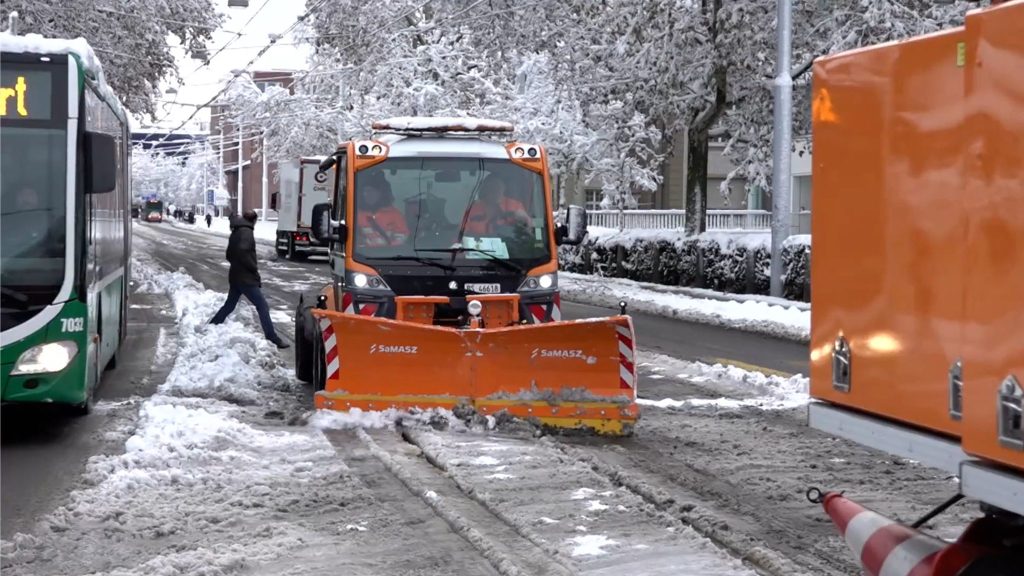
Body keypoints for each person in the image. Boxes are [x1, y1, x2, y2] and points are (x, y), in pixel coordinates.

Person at [209, 209, 290, 349]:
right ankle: (272, 337)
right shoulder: (246, 232)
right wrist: (252, 267)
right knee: (262, 306)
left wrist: (237, 264)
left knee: (230, 304)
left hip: (235, 275)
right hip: (246, 277)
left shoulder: (236, 231)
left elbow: (229, 254)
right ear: (254, 220)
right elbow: (243, 251)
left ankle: (212, 325)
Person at [463, 174, 530, 236]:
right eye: (492, 187)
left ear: (504, 189)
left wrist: (525, 220)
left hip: (509, 247)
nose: (496, 190)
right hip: (476, 247)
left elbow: (527, 231)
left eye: (498, 187)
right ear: (484, 190)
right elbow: (460, 236)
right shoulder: (472, 210)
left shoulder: (515, 206)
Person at [355, 173, 409, 247]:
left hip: (387, 256)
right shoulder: (355, 215)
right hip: (362, 256)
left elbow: (402, 237)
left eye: (372, 191)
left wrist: (387, 248)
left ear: (381, 193)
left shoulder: (395, 214)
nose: (367, 194)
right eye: (365, 191)